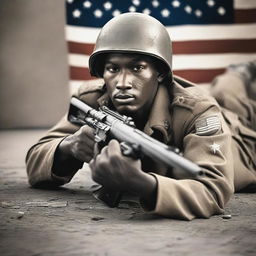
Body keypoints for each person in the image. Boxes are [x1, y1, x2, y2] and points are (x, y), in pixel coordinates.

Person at [26, 13, 256, 220]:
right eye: (113, 69)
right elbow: (36, 158)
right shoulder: (93, 100)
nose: (123, 84)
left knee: (232, 99)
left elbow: (212, 192)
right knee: (227, 95)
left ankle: (240, 73)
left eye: (137, 68)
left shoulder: (199, 113)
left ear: (160, 73)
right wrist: (70, 147)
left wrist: (143, 184)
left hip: (241, 143)